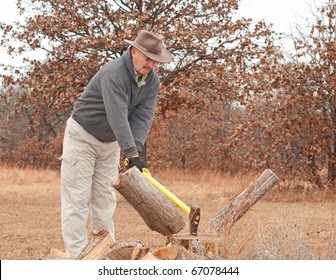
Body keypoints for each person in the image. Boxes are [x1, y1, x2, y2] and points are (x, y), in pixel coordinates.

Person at [60, 30, 173, 256]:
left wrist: (136, 152)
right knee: (78, 200)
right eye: (148, 58)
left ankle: (103, 254)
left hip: (109, 142)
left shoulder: (152, 81)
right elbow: (118, 116)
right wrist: (131, 153)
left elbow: (142, 117)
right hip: (82, 136)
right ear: (134, 52)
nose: (151, 64)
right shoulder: (114, 74)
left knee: (105, 200)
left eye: (155, 60)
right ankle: (77, 259)